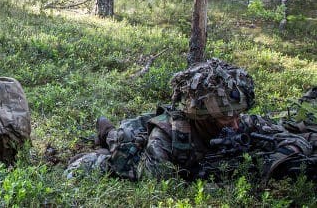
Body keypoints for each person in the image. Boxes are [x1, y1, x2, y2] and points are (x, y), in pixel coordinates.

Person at [65, 58, 317, 182]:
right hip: (141, 133)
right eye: (225, 118)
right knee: (123, 148)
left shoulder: (238, 121)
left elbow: (295, 139)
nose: (236, 124)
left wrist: (274, 161)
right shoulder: (167, 135)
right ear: (203, 118)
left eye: (237, 116)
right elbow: (153, 181)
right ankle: (106, 131)